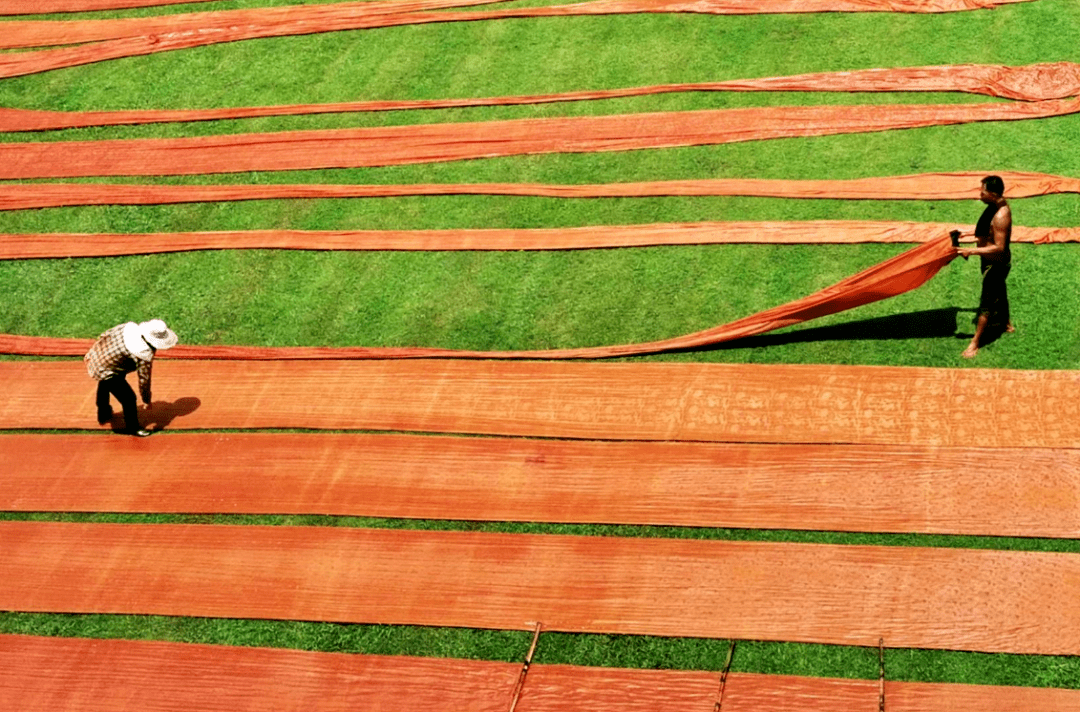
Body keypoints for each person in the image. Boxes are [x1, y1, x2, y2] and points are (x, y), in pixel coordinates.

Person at [84, 319, 178, 436]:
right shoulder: (143, 354)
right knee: (129, 398)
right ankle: (133, 428)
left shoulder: (126, 328)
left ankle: (103, 413)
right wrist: (146, 400)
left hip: (98, 357)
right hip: (109, 368)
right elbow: (144, 379)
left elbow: (105, 335)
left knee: (104, 383)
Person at [957, 175, 1014, 358]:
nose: (979, 195)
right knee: (1000, 291)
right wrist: (965, 235)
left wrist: (970, 251)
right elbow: (986, 232)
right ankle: (1006, 324)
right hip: (992, 262)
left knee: (986, 304)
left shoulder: (1000, 216)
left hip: (996, 265)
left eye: (983, 192)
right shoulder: (995, 206)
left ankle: (974, 343)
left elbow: (999, 247)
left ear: (993, 193)